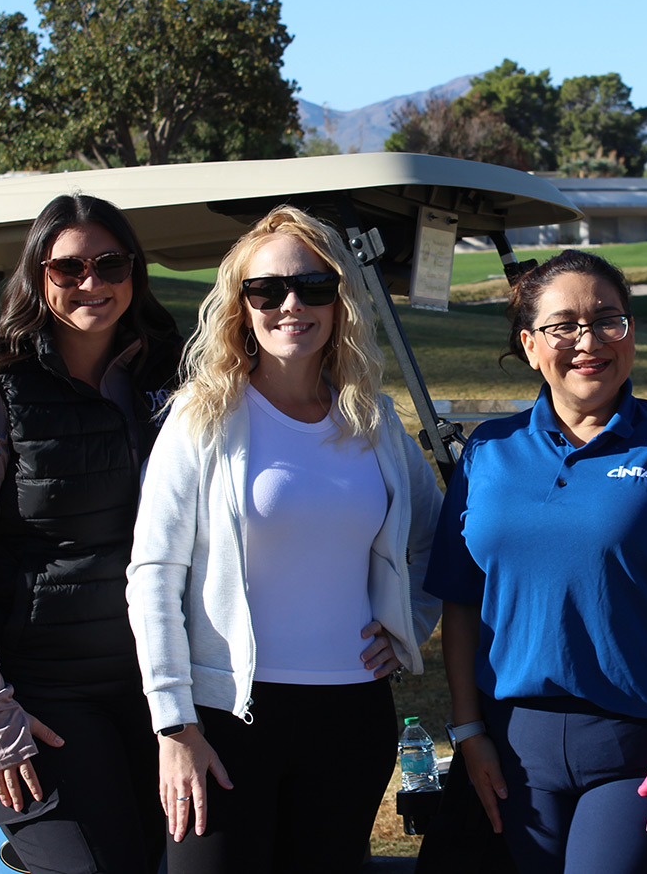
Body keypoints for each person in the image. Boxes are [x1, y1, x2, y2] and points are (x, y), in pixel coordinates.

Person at [426, 249, 647, 874]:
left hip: (643, 751)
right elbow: (461, 599)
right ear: (530, 346)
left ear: (631, 335)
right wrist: (468, 733)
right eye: (563, 325)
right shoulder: (488, 452)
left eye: (608, 320)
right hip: (514, 752)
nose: (588, 340)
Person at [125, 205, 443, 872]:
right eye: (266, 290)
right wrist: (174, 723)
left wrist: (408, 622)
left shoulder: (374, 419)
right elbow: (153, 572)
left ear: (339, 299)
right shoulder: (202, 418)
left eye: (313, 286)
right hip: (225, 721)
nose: (290, 304)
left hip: (352, 719)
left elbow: (437, 534)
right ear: (241, 307)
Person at [0, 192, 183, 873]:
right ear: (38, 277)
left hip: (148, 679)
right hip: (35, 689)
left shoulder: (169, 374)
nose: (91, 283)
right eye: (68, 269)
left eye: (110, 264)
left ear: (135, 272)